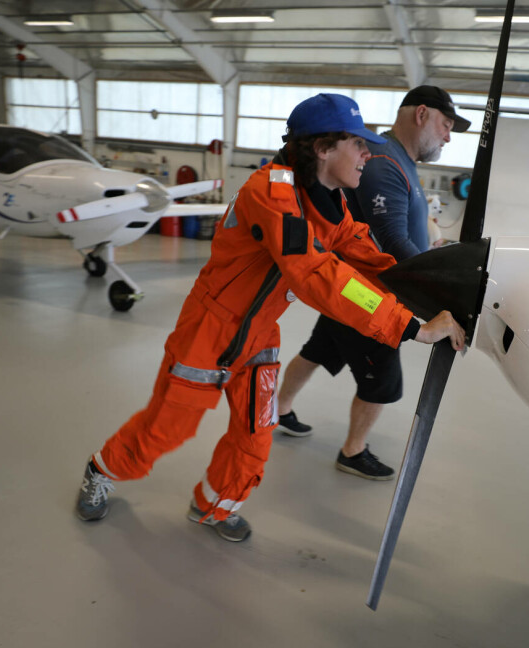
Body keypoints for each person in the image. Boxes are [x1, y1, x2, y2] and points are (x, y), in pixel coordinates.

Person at [74, 93, 466, 542]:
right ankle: (101, 469)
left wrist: (425, 289)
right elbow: (317, 273)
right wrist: (410, 327)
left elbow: (361, 252)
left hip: (259, 335)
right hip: (209, 332)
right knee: (167, 429)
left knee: (256, 435)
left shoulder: (326, 199)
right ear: (322, 148)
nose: (367, 153)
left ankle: (214, 506)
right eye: (357, 144)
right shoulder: (271, 192)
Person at [274, 86, 470, 482]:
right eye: (445, 125)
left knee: (316, 350)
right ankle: (352, 451)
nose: (448, 137)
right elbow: (368, 251)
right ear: (325, 148)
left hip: (357, 291)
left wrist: (431, 267)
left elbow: (363, 240)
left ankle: (276, 410)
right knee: (383, 384)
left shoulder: (385, 169)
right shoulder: (381, 165)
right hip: (363, 298)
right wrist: (422, 310)